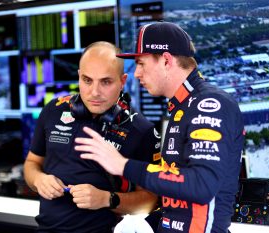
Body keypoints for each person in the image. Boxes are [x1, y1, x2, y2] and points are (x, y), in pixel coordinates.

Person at [75, 22, 245, 233]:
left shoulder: (210, 104)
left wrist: (124, 166)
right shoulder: (182, 107)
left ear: (165, 60)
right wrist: (148, 222)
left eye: (141, 63)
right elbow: (179, 199)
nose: (136, 73)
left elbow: (202, 186)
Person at [23, 41, 161, 233]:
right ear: (79, 77)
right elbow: (31, 163)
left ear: (122, 81)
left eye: (106, 82)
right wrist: (39, 180)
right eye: (87, 80)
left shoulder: (141, 130)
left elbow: (151, 201)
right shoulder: (53, 111)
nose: (95, 92)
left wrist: (106, 199)